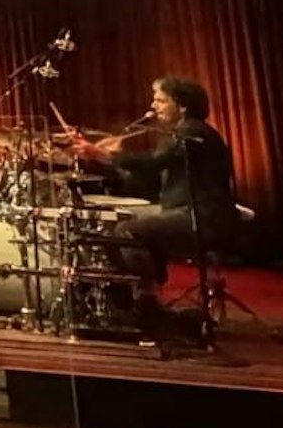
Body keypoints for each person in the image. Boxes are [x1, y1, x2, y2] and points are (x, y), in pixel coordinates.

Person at [73, 76, 238, 311]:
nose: (153, 107)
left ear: (181, 105)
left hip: (200, 215)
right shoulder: (181, 134)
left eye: (160, 101)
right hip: (183, 208)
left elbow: (152, 162)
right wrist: (115, 160)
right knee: (121, 218)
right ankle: (142, 286)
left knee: (126, 230)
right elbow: (149, 177)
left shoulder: (191, 133)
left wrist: (103, 155)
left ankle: (146, 296)